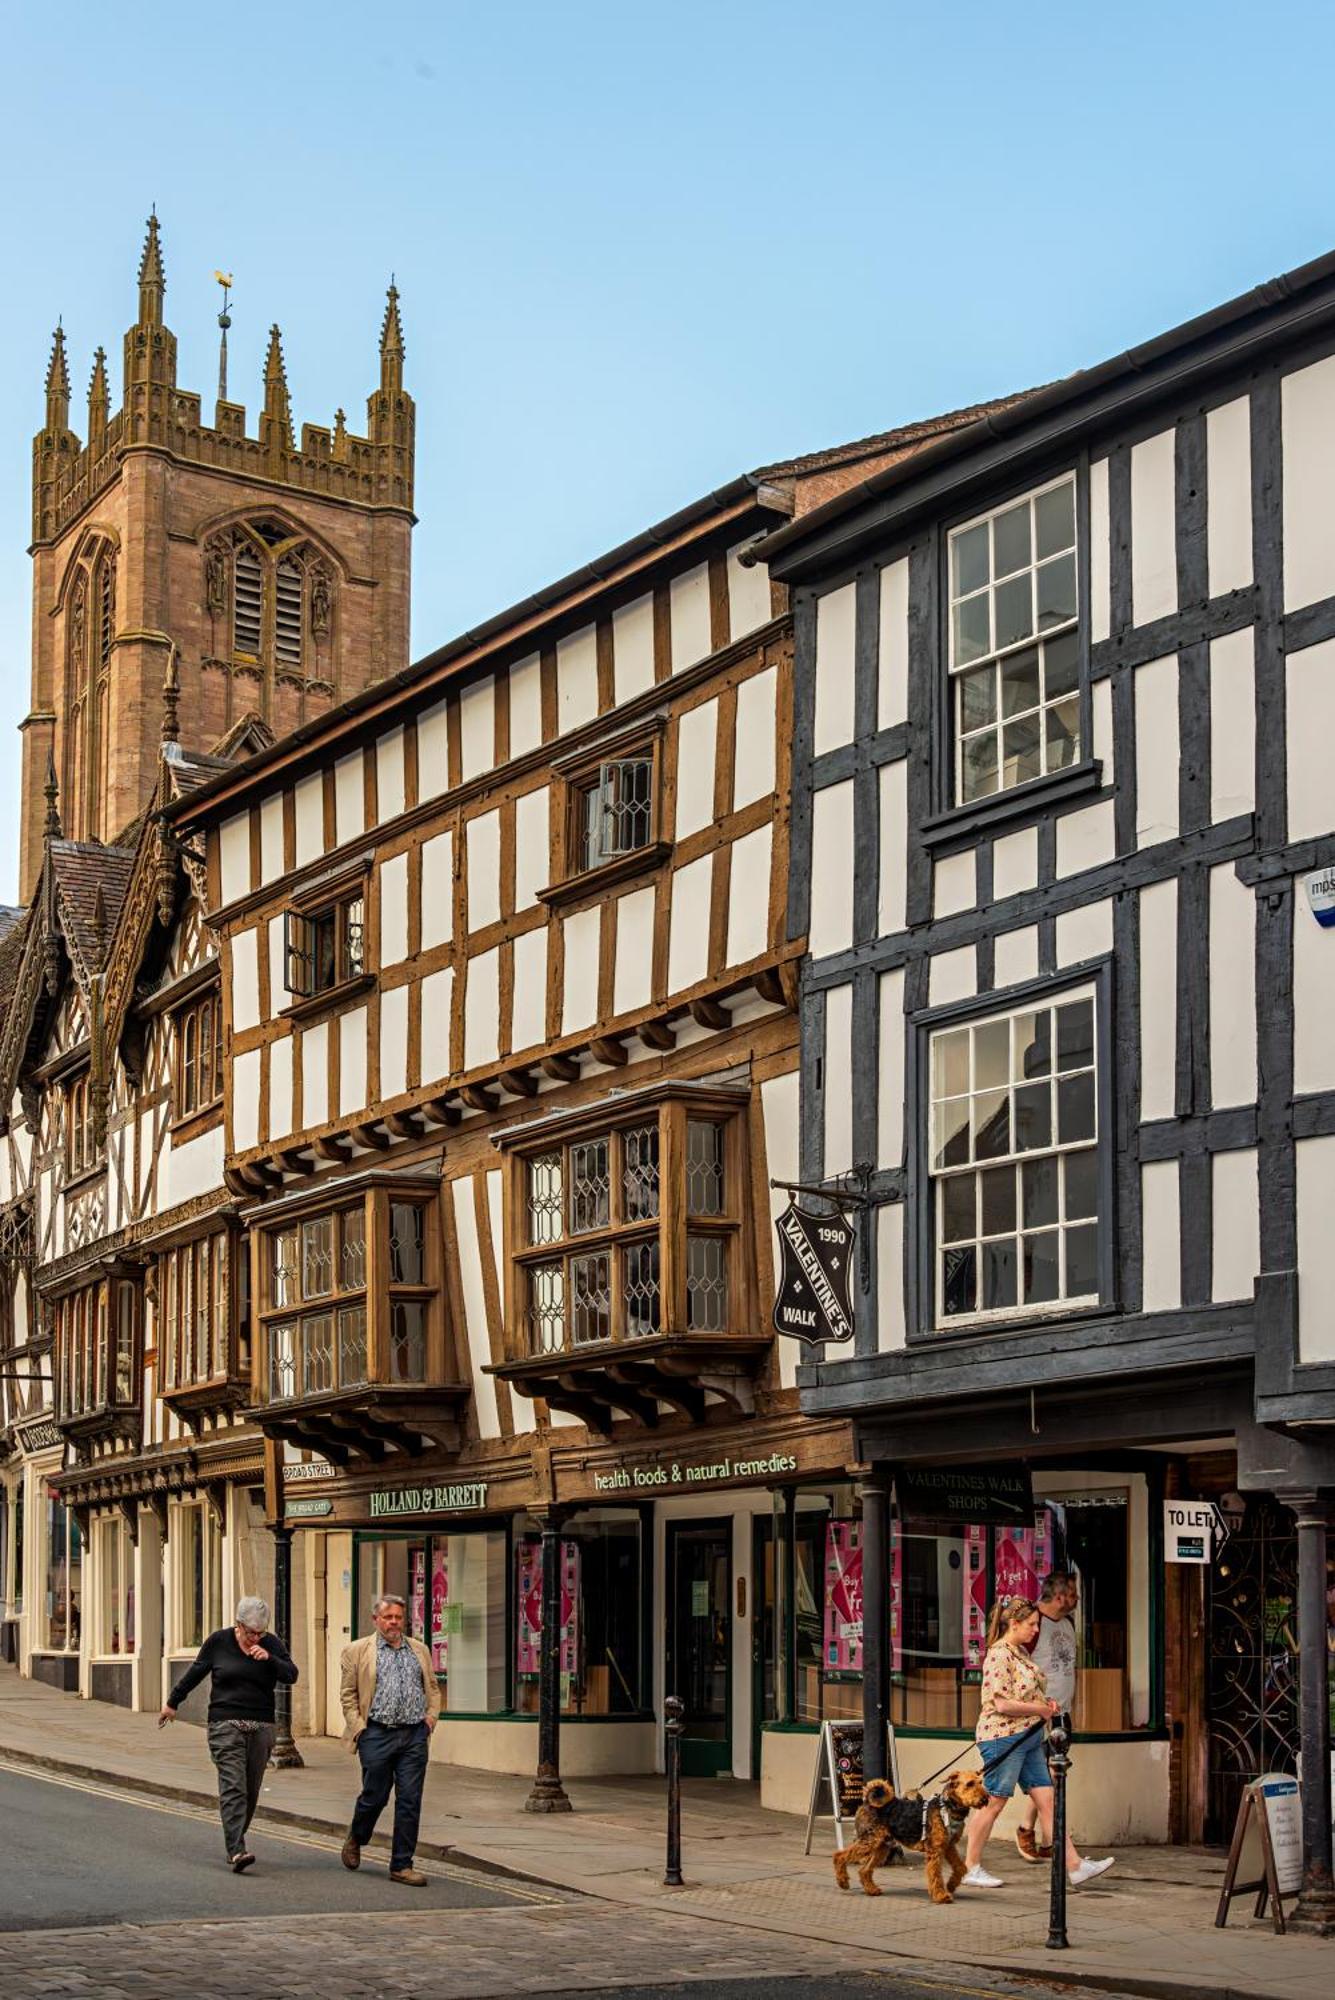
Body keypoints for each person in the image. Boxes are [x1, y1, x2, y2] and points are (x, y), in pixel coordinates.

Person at [960, 1594, 1114, 1891]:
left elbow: (1023, 1693)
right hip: (1003, 1739)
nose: (1035, 1630)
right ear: (1013, 1624)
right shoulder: (999, 1654)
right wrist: (1041, 1710)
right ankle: (970, 1867)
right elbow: (1002, 1703)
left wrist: (1045, 1703)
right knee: (993, 1801)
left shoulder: (1018, 1652)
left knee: (1048, 1800)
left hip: (1028, 1738)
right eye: (1031, 1624)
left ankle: (1075, 1866)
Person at [159, 1594, 298, 1873]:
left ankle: (236, 1838)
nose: (256, 1638)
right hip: (225, 1723)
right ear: (238, 1625)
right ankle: (237, 1850)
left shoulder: (270, 1645)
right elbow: (196, 1672)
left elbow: (291, 1674)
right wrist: (173, 1702)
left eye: (261, 1633)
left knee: (250, 1790)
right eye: (250, 1633)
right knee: (233, 1786)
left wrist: (269, 1659)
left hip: (261, 1725)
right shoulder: (219, 1642)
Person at [340, 1591, 442, 1886]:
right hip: (376, 1733)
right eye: (388, 1617)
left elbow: (433, 1688)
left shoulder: (419, 1650)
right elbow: (348, 1695)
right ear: (376, 1619)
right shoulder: (357, 1651)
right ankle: (357, 1836)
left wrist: (431, 1718)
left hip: (413, 1735)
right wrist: (359, 1727)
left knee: (410, 1800)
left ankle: (402, 1865)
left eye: (398, 1617)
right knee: (375, 1796)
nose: (394, 1622)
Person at [1015, 1570, 1079, 1862]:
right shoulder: (1033, 1623)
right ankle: (1029, 1830)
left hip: (1061, 1712)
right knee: (1043, 1776)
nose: (1076, 1598)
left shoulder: (1067, 1622)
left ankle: (1041, 1835)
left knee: (1054, 1774)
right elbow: (1014, 1664)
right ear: (1059, 1596)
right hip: (1039, 1713)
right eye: (1073, 1593)